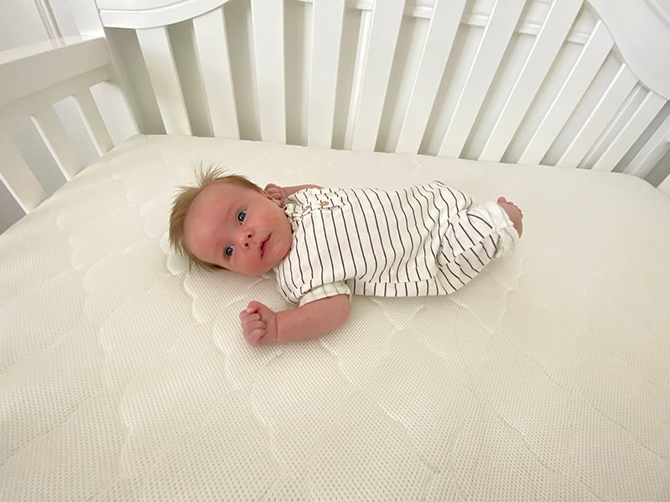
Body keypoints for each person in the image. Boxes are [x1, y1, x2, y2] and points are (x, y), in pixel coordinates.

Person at [169, 166, 523, 346]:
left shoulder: (296, 203)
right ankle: (498, 224)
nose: (243, 238)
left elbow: (321, 192)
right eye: (228, 251)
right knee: (470, 241)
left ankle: (476, 213)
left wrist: (289, 191)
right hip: (427, 252)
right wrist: (279, 326)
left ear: (269, 197)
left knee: (438, 194)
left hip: (420, 204)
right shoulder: (299, 274)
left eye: (242, 216)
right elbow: (335, 309)